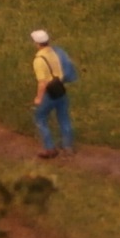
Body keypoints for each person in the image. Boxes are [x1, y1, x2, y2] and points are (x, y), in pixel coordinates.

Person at [30, 29, 74, 159]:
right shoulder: (55, 53)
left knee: (40, 118)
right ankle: (67, 147)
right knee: (64, 119)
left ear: (36, 43)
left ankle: (49, 148)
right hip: (60, 89)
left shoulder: (39, 60)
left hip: (49, 93)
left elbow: (42, 82)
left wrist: (39, 98)